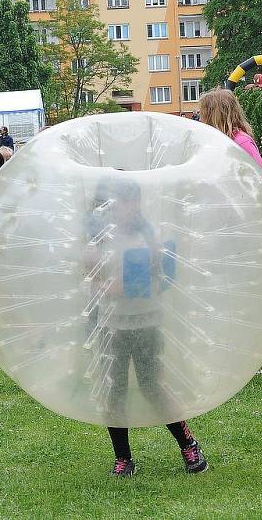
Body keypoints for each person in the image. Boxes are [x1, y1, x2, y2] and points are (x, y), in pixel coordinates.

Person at [85, 178, 208, 476]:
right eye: (123, 201)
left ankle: (188, 444)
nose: (129, 207)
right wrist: (101, 278)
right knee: (115, 391)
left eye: (133, 201)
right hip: (112, 324)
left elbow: (166, 276)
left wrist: (150, 269)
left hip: (146, 321)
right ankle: (123, 457)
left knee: (153, 386)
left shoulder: (150, 235)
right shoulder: (100, 235)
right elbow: (88, 269)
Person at [199, 89, 262, 375]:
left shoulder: (241, 142)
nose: (201, 117)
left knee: (257, 293)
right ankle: (236, 354)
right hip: (224, 228)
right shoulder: (218, 144)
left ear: (216, 113)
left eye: (204, 112)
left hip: (247, 231)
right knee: (228, 292)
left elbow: (259, 183)